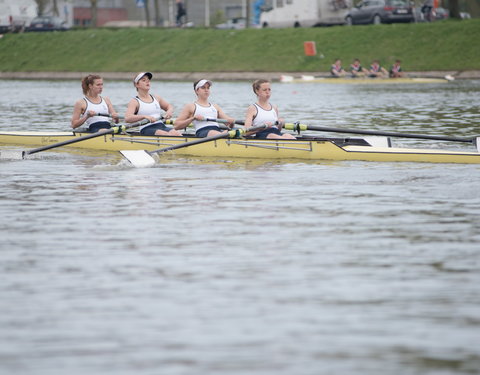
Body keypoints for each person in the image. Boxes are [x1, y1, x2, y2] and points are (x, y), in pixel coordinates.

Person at [125, 72, 181, 136]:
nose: (147, 82)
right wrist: (144, 116)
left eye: (148, 80)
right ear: (136, 85)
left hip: (161, 125)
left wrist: (169, 112)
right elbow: (128, 118)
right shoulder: (134, 101)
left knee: (177, 133)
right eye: (144, 80)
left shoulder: (156, 98)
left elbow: (169, 106)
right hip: (146, 128)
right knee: (165, 134)